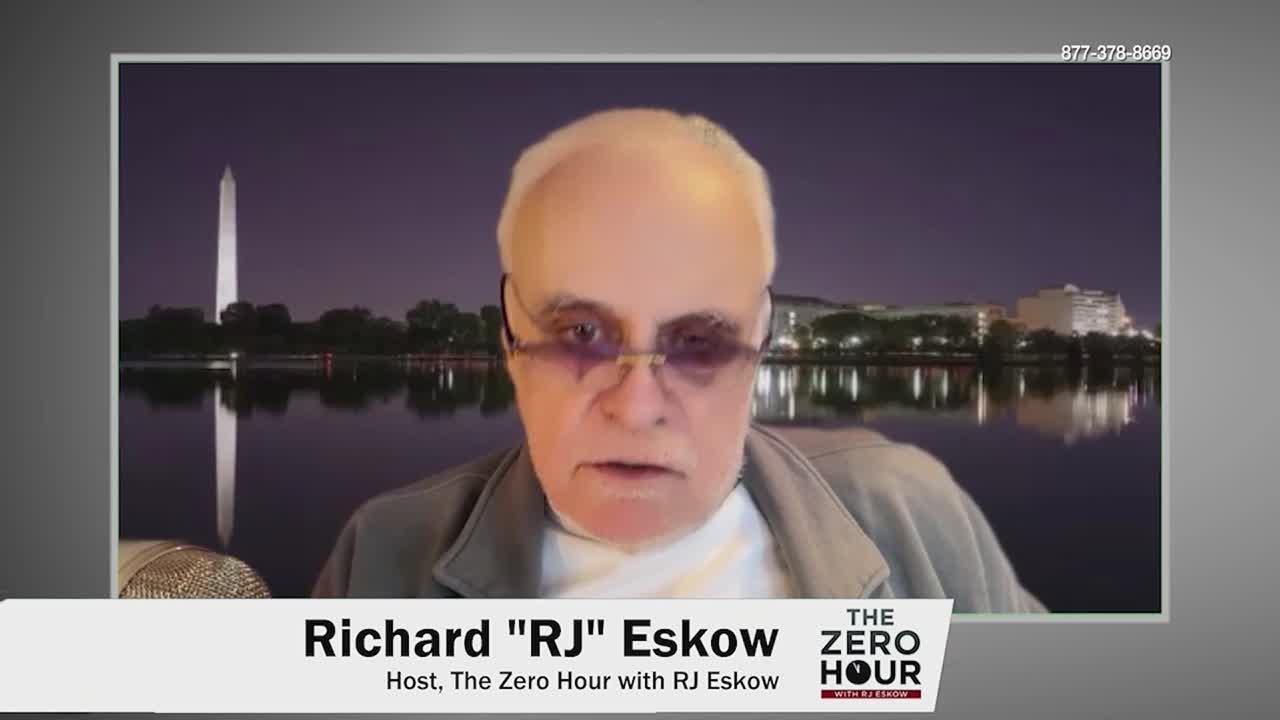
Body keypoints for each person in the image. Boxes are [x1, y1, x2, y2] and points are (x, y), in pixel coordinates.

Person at [312, 107, 1045, 611]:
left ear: (758, 340)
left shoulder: (910, 519)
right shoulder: (383, 557)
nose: (636, 407)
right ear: (510, 337)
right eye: (580, 336)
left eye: (696, 343)